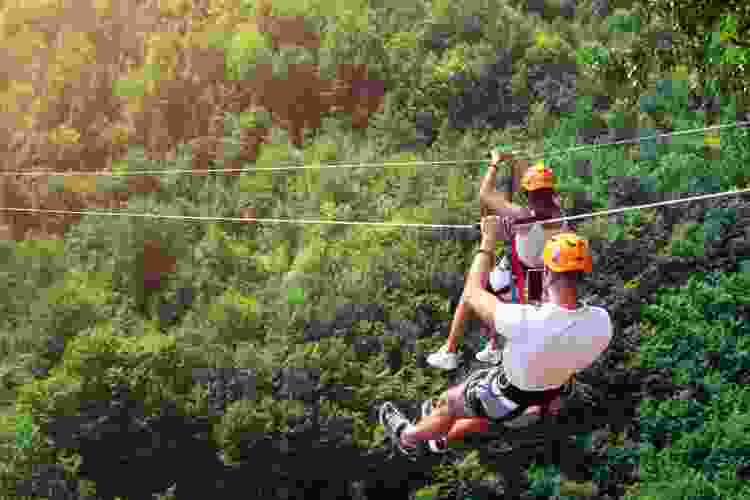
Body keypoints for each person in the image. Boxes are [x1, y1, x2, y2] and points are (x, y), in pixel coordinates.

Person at [380, 224, 612, 458]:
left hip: (509, 394)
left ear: (548, 273)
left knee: (449, 404)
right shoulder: (601, 322)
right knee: (485, 415)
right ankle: (441, 439)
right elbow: (542, 312)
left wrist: (488, 240)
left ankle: (407, 438)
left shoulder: (526, 322)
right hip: (549, 395)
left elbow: (472, 292)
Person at [427, 150, 570, 370]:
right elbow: (531, 183)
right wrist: (518, 161)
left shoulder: (524, 216)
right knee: (519, 308)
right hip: (540, 274)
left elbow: (485, 194)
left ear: (528, 193)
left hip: (524, 273)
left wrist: (495, 163)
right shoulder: (558, 210)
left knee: (472, 292)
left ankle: (450, 351)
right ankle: (493, 347)